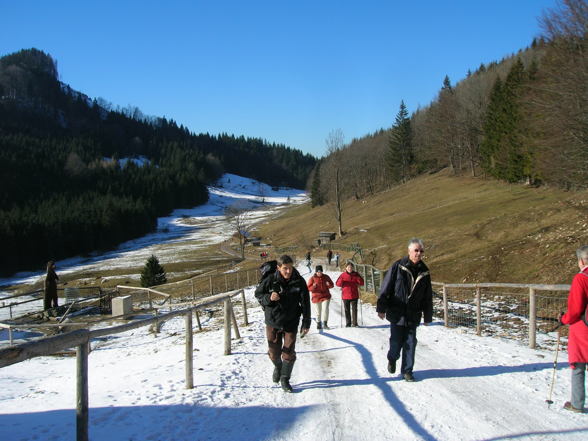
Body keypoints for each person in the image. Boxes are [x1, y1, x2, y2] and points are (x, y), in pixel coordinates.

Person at [376, 238, 432, 382]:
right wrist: (381, 307)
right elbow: (386, 287)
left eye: (421, 251)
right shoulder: (398, 266)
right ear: (409, 251)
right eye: (416, 250)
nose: (419, 253)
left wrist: (427, 316)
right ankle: (392, 358)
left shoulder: (424, 272)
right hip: (397, 313)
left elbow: (427, 295)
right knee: (396, 342)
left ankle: (407, 371)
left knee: (411, 343)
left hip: (413, 314)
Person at [255, 254, 311, 392]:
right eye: (285, 268)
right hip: (273, 321)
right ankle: (278, 367)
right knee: (274, 353)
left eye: (290, 268)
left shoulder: (299, 281)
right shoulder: (270, 280)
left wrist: (306, 322)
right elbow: (258, 295)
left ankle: (285, 379)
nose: (288, 271)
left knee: (289, 352)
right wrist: (269, 298)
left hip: (291, 322)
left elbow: (305, 303)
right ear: (279, 268)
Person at [559, 245, 588, 413]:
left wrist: (564, 319)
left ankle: (577, 403)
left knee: (579, 365)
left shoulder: (581, 278)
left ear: (581, 260)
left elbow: (576, 309)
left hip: (583, 328)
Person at [336, 262, 364, 327]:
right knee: (347, 310)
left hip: (354, 294)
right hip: (345, 295)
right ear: (346, 268)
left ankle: (355, 323)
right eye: (348, 267)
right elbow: (338, 284)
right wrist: (341, 280)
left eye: (351, 267)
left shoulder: (356, 274)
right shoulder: (343, 275)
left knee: (354, 310)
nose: (350, 269)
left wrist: (358, 278)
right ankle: (348, 323)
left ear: (353, 268)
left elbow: (362, 283)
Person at [307, 265, 334, 330]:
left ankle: (325, 324)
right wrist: (313, 286)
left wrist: (329, 285)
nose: (319, 273)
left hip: (326, 296)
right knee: (318, 312)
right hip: (316, 297)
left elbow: (332, 285)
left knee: (325, 309)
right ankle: (319, 323)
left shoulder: (326, 277)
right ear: (316, 272)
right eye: (318, 272)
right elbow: (308, 288)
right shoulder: (312, 278)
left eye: (320, 272)